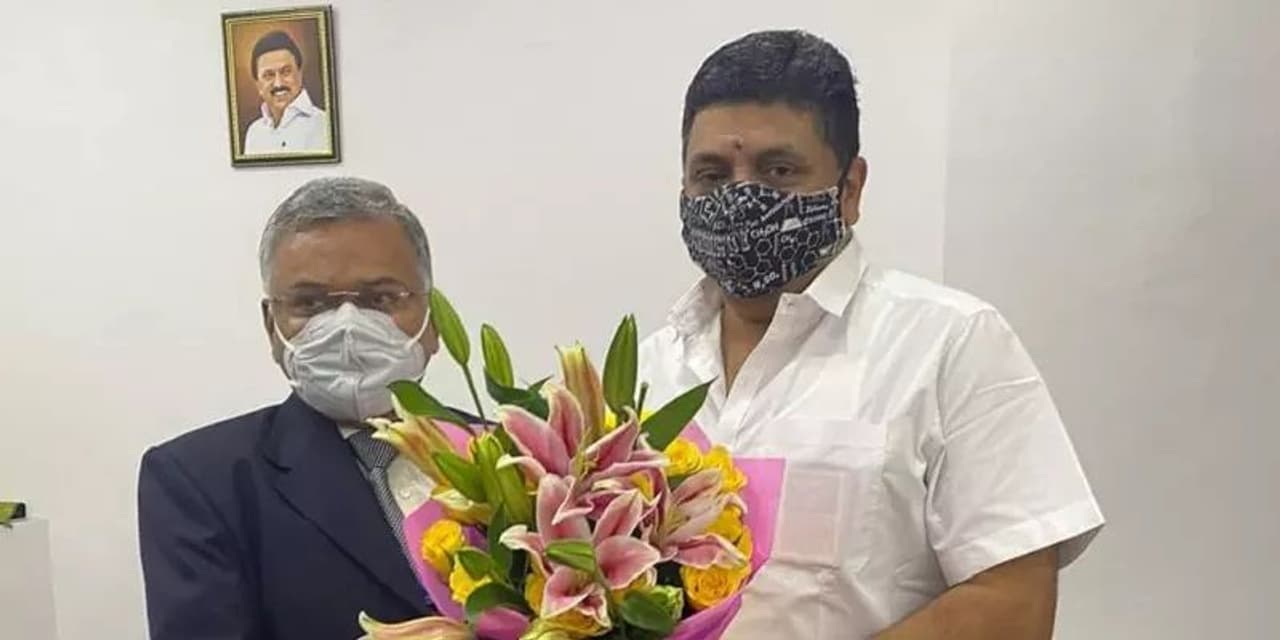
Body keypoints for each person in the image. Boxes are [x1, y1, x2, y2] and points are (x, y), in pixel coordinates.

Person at [638, 30, 1105, 638]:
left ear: (850, 188)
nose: (739, 198)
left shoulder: (951, 345)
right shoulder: (646, 373)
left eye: (778, 170)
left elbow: (1013, 605)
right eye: (712, 174)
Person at [138, 178, 445, 639]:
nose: (347, 327)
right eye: (310, 304)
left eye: (380, 299)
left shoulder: (518, 456)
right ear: (272, 327)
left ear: (434, 319)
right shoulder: (199, 480)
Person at [242, 30, 330, 154]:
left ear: (300, 74)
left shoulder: (324, 125)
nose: (278, 83)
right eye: (269, 75)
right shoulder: (254, 133)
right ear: (258, 85)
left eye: (286, 72)